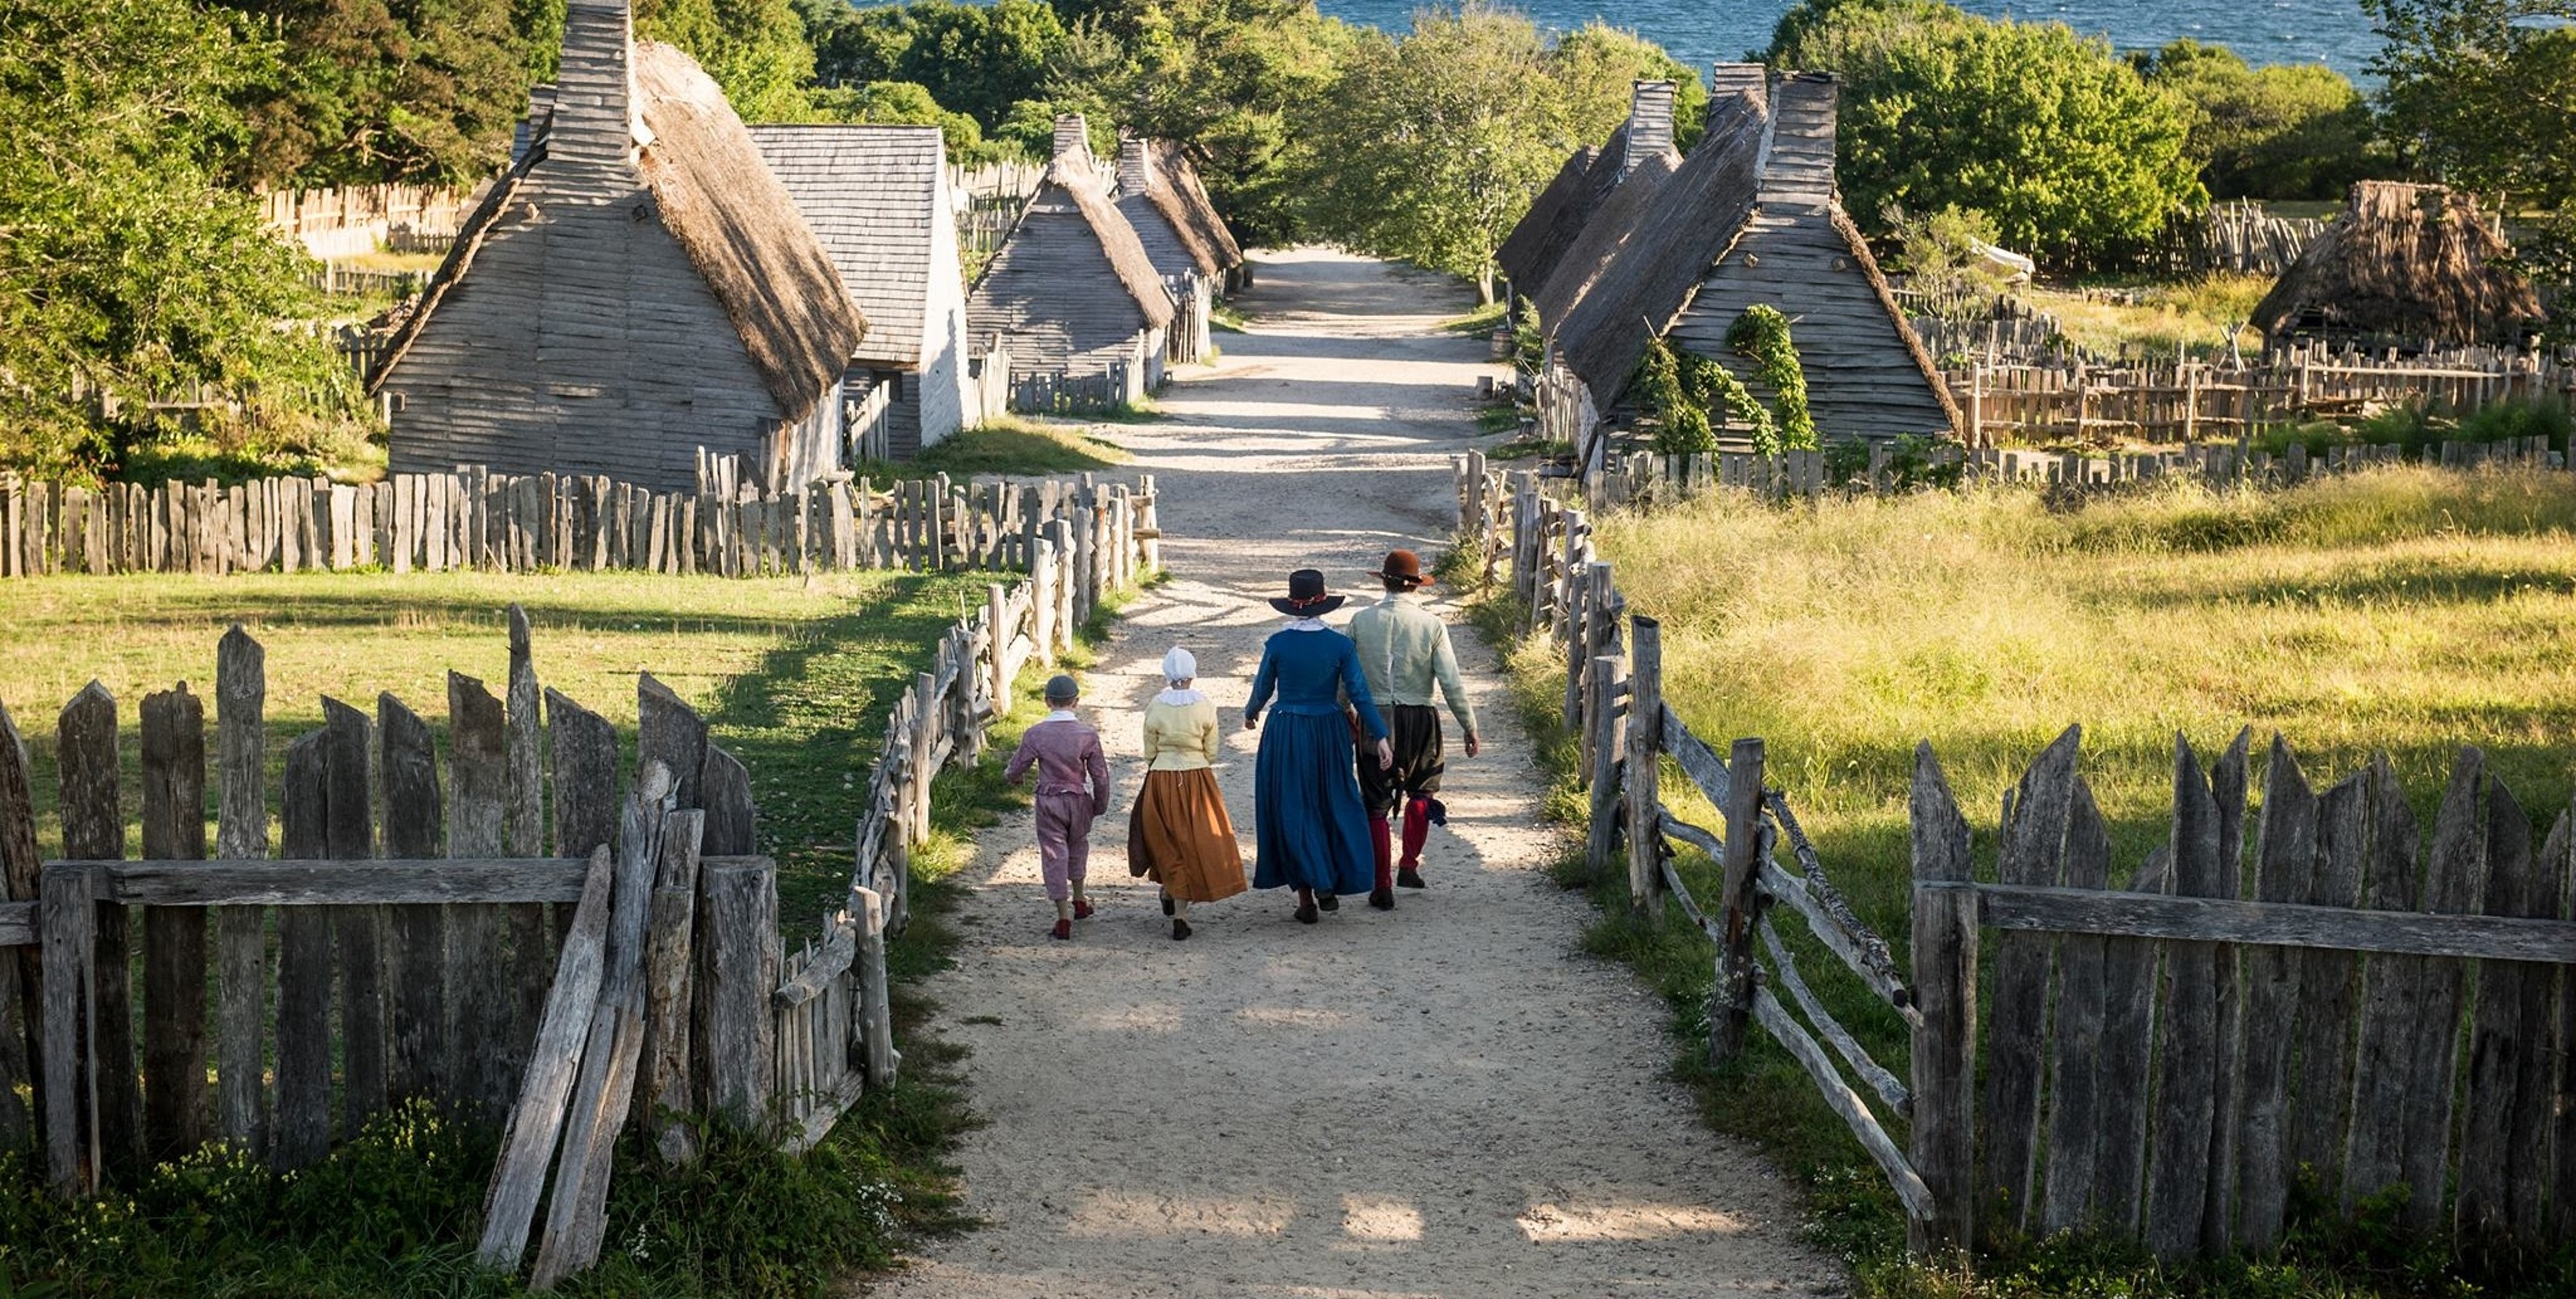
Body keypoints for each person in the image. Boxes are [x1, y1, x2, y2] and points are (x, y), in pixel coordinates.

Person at [1243, 569, 1391, 925]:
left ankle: (1307, 897)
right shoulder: (1341, 645)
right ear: (1323, 604)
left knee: (1292, 804)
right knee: (1331, 801)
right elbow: (1359, 693)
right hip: (1328, 727)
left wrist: (1252, 713)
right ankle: (1328, 879)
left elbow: (1264, 687)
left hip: (1287, 729)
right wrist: (1380, 734)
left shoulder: (1277, 644)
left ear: (1292, 607)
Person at [1345, 549, 1479, 908]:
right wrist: (1468, 724)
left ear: (1384, 581)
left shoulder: (1360, 621)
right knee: (1422, 790)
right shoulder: (1432, 625)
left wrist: (1343, 712)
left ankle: (1381, 883)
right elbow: (1450, 681)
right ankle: (1408, 864)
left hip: (1375, 718)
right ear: (1415, 586)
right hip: (1419, 715)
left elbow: (1348, 676)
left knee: (1375, 801)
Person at [1127, 646, 1246, 940]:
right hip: (1196, 777)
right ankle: (1180, 912)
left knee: (1165, 840)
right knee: (1193, 841)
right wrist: (1200, 761)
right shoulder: (1204, 705)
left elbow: (1149, 748)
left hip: (1161, 777)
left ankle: (1171, 891)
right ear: (1192, 674)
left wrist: (1158, 763)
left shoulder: (1156, 705)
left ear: (1167, 675)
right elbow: (1212, 748)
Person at [1004, 674, 1112, 941]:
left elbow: (1017, 767)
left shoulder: (1036, 734)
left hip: (1050, 800)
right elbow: (1100, 776)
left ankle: (1063, 917)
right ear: (1076, 702)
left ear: (1047, 702)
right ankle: (1080, 899)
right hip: (1078, 800)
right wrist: (1100, 804)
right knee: (1078, 846)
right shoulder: (1087, 735)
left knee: (1054, 853)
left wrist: (1014, 777)